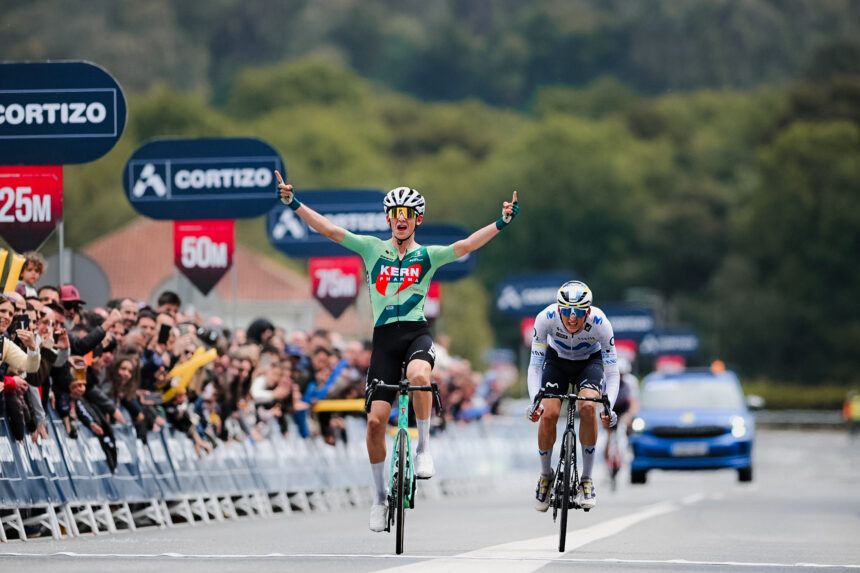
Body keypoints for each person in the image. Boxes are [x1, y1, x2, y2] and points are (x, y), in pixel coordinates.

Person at [275, 170, 519, 532]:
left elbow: (466, 245)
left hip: (417, 334)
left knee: (420, 376)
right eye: (395, 214)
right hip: (384, 341)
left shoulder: (427, 255)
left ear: (417, 220)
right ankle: (377, 498)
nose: (401, 220)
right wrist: (294, 204)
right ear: (388, 219)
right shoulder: (372, 248)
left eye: (408, 214)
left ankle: (423, 448)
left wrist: (501, 222)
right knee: (375, 423)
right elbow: (329, 230)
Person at [526, 280, 619, 512]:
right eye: (567, 311)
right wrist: (533, 402)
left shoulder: (601, 323)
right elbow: (535, 366)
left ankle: (586, 479)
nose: (572, 318)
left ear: (588, 311)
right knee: (549, 412)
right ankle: (545, 475)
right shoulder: (545, 318)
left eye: (578, 312)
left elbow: (613, 371)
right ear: (559, 309)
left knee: (588, 407)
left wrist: (610, 408)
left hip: (590, 362)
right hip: (556, 361)